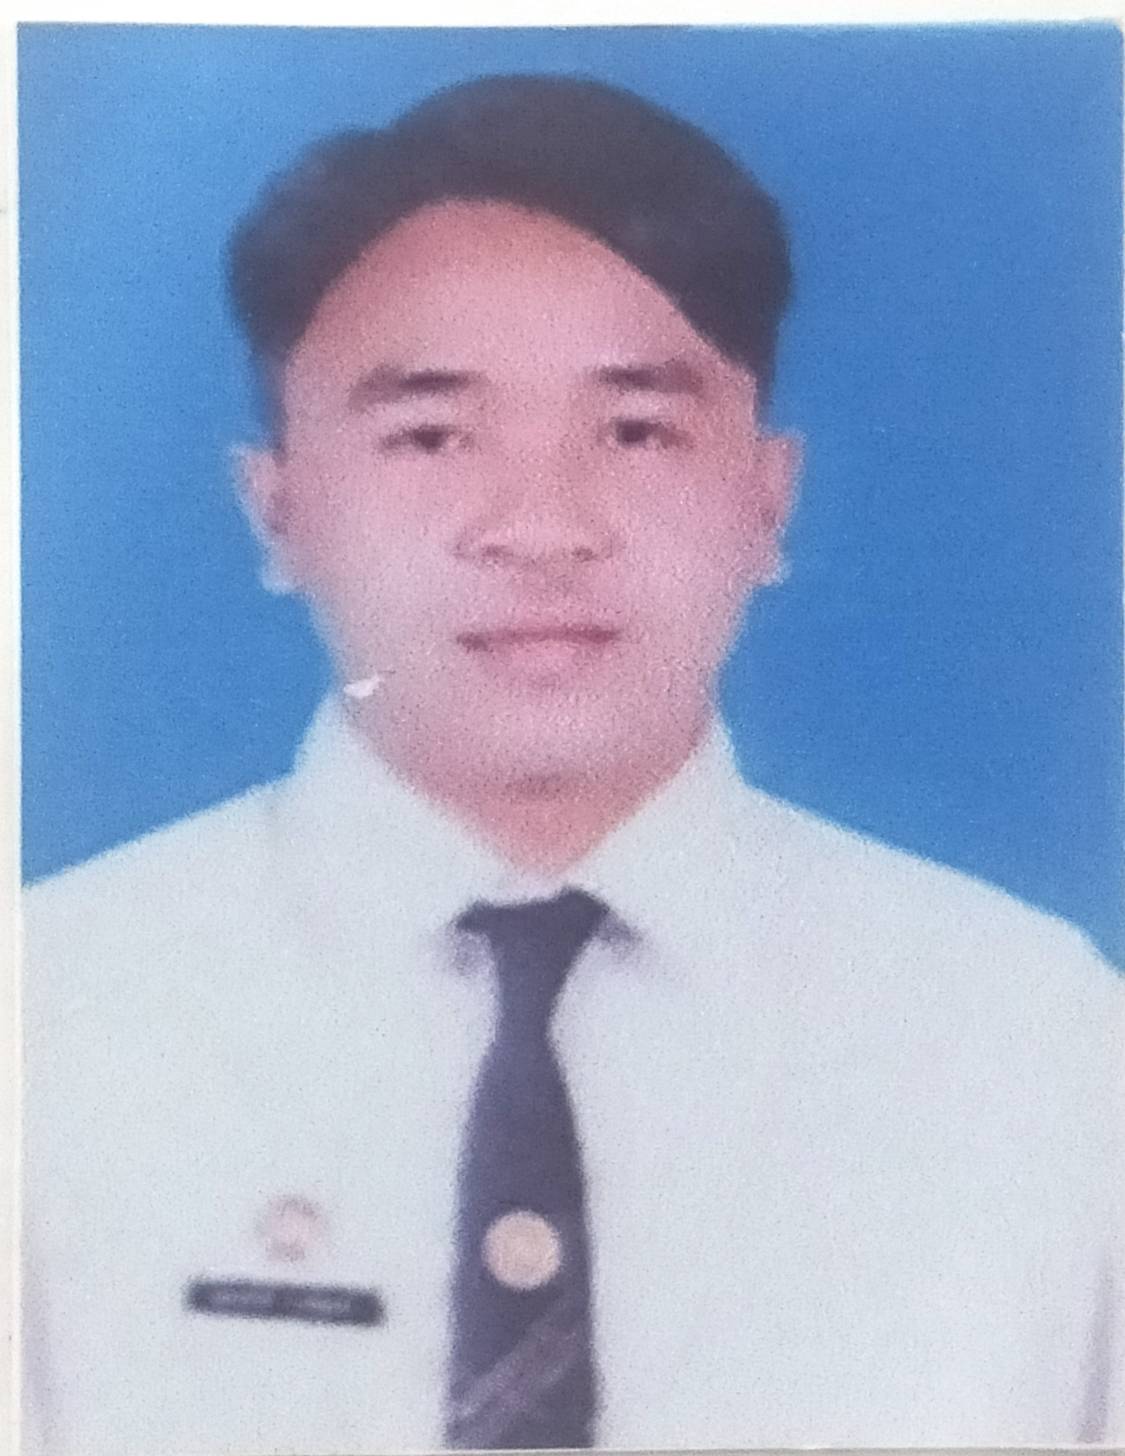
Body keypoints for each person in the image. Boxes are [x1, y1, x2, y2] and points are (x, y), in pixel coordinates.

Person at [21, 73, 1123, 1455]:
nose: (541, 527)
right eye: (432, 434)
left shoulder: (1034, 1040)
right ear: (277, 509)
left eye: (635, 430)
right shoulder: (54, 1020)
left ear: (767, 500)